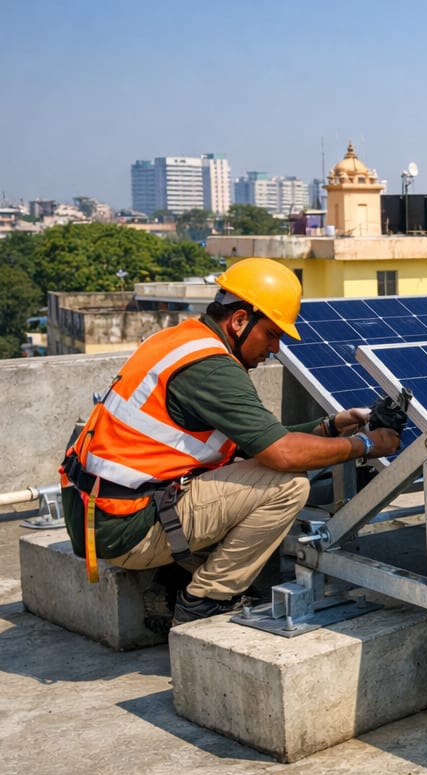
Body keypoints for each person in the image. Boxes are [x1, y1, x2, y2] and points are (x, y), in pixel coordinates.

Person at [59, 257, 403, 625]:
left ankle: (172, 581)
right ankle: (205, 600)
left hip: (96, 512)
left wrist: (333, 425)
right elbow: (282, 454)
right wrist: (367, 446)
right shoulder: (212, 369)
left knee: (244, 469)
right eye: (271, 334)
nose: (275, 348)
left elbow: (260, 440)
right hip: (126, 528)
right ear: (239, 320)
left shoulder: (182, 340)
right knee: (286, 486)